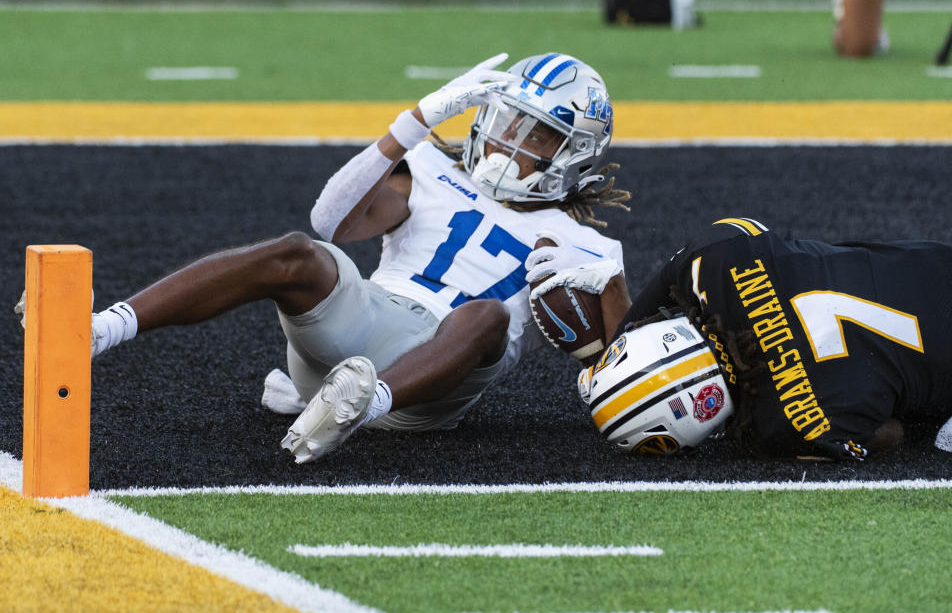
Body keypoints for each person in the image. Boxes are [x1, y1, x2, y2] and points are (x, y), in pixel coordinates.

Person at [75, 52, 633, 464]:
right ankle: (104, 328)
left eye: (535, 134)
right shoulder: (434, 173)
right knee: (299, 251)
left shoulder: (591, 250)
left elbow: (621, 373)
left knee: (489, 314)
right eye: (507, 119)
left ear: (575, 154)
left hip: (431, 387)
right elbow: (330, 221)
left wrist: (610, 292)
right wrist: (409, 125)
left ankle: (359, 405)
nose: (506, 141)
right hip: (364, 317)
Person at [578, 217, 952, 461]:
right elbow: (670, 276)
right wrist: (614, 346)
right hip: (937, 265)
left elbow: (890, 434)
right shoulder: (718, 259)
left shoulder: (787, 425)